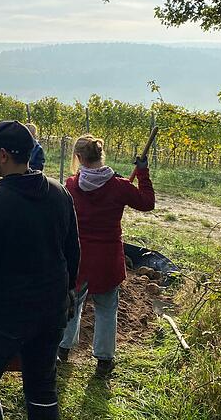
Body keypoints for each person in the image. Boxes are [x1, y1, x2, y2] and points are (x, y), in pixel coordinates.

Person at [0, 120, 80, 420]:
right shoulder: (60, 194)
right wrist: (68, 293)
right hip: (51, 311)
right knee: (42, 387)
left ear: (4, 155)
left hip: (7, 316)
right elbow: (73, 252)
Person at [56, 135, 154, 379]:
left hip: (79, 259)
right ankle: (104, 360)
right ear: (102, 155)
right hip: (108, 259)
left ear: (79, 158)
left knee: (73, 305)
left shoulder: (71, 185)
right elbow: (147, 203)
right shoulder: (119, 186)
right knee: (107, 310)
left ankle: (63, 350)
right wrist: (142, 173)